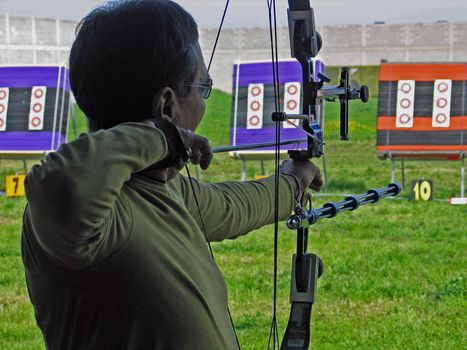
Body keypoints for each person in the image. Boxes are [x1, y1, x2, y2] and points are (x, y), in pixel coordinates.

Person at [21, 0, 323, 349]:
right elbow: (62, 185)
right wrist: (161, 135)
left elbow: (231, 205)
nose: (203, 104)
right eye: (202, 89)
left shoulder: (166, 189)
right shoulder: (89, 219)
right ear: (166, 106)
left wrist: (293, 180)